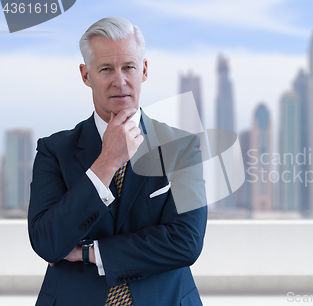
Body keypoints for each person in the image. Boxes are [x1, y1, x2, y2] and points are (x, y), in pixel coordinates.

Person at [27, 17, 207, 306]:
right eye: (106, 69)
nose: (119, 81)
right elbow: (48, 242)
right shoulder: (54, 150)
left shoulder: (182, 147)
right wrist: (106, 164)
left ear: (144, 70)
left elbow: (185, 243)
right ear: (86, 75)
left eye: (129, 67)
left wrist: (87, 252)